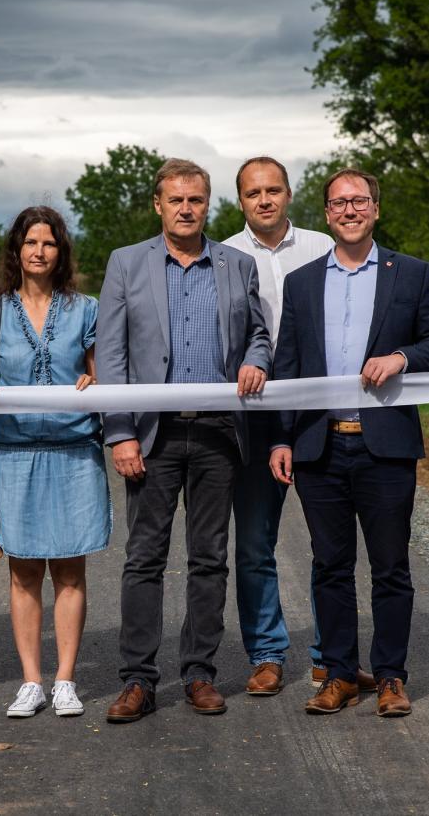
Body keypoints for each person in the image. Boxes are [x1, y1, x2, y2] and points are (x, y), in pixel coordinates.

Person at [269, 168, 429, 718]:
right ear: (327, 214)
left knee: (391, 567)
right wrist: (280, 439)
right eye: (339, 203)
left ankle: (391, 676)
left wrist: (401, 357)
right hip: (319, 447)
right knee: (330, 567)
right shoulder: (301, 282)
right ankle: (341, 675)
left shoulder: (411, 273)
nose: (349, 210)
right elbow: (287, 365)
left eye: (360, 201)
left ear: (375, 208)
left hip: (385, 448)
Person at [97, 158, 272, 723]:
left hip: (219, 432)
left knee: (209, 557)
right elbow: (112, 355)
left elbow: (260, 334)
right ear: (158, 204)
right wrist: (120, 432)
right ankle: (137, 680)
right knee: (144, 557)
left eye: (195, 199)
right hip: (154, 434)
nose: (186, 209)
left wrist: (255, 360)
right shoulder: (126, 263)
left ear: (208, 203)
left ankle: (199, 673)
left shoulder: (237, 264)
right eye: (175, 200)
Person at [0, 206, 111, 718]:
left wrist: (96, 381)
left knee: (70, 569)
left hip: (74, 450)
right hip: (15, 452)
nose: (39, 251)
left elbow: (99, 375)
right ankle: (31, 681)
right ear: (16, 249)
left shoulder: (87, 309)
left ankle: (66, 680)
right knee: (24, 570)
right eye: (30, 242)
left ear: (60, 251)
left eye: (48, 243)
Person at [220, 156, 352, 697]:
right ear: (241, 200)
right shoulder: (224, 256)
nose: (265, 200)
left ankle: (329, 656)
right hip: (253, 413)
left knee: (330, 545)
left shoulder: (324, 246)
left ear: (289, 193)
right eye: (254, 193)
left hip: (318, 410)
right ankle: (267, 654)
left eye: (273, 189)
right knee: (255, 543)